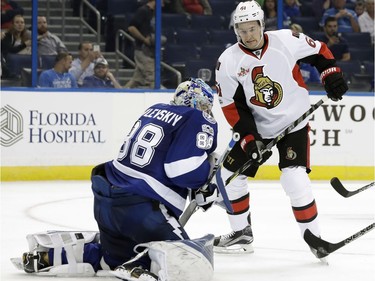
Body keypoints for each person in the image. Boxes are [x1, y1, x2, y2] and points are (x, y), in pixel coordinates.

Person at [18, 78, 218, 281]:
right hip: (142, 209)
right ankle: (137, 265)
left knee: (110, 258)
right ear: (198, 103)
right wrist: (204, 181)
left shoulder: (154, 109)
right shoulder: (196, 117)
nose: (207, 110)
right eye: (205, 105)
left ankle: (49, 256)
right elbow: (181, 170)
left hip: (106, 203)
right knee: (188, 263)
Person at [214, 0, 348, 259]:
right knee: (229, 176)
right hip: (258, 126)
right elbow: (231, 106)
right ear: (236, 31)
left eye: (252, 28)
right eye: (242, 30)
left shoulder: (286, 39)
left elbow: (320, 51)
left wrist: (330, 74)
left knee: (294, 177)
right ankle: (241, 232)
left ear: (262, 25)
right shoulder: (227, 61)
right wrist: (249, 141)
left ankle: (315, 238)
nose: (248, 35)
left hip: (294, 121)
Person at [125, 0, 165, 89]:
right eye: (162, 1)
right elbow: (131, 28)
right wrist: (144, 40)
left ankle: (121, 94)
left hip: (149, 51)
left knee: (137, 79)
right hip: (143, 51)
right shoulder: (143, 11)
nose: (163, 3)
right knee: (152, 80)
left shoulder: (154, 13)